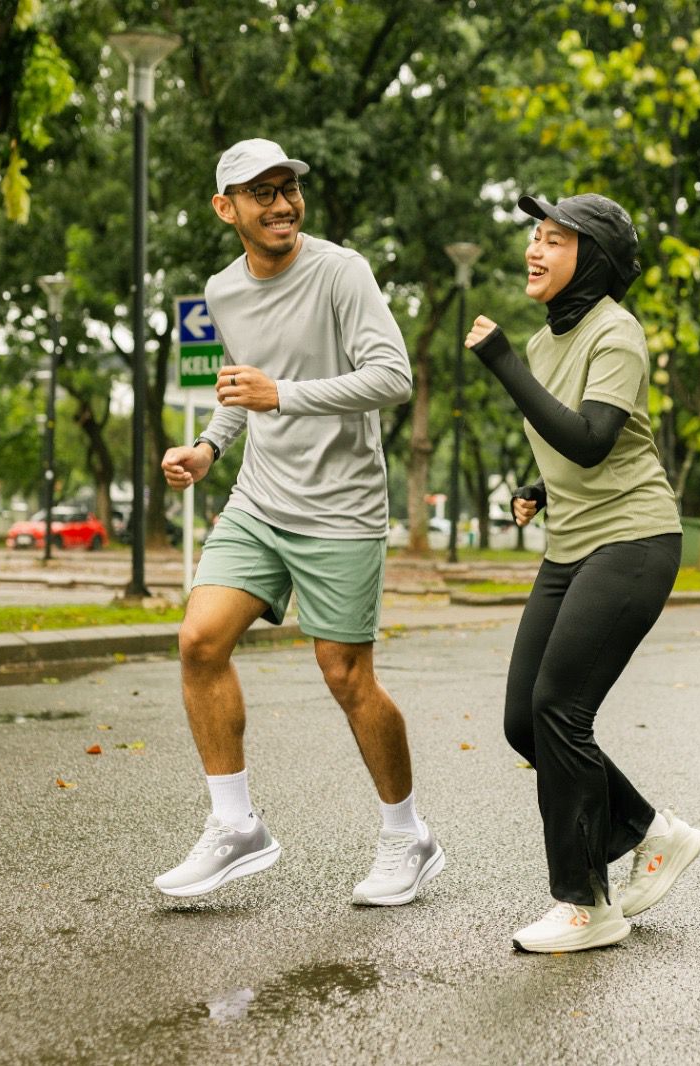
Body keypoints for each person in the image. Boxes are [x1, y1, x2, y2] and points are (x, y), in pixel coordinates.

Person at [153, 138, 443, 907]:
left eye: (288, 189)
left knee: (346, 676)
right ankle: (235, 824)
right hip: (259, 499)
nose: (282, 205)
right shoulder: (223, 291)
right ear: (227, 209)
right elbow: (239, 386)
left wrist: (284, 394)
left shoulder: (341, 272)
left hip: (342, 507)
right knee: (197, 641)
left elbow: (392, 376)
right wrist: (209, 448)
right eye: (262, 194)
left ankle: (406, 835)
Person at [464, 192, 700, 953]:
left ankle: (584, 903)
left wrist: (498, 359)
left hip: (633, 541)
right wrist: (538, 490)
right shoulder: (544, 345)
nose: (534, 250)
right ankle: (648, 830)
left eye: (555, 240)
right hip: (568, 546)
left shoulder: (617, 335)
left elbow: (598, 441)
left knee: (561, 707)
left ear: (592, 259)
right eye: (534, 235)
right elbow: (566, 443)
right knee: (522, 720)